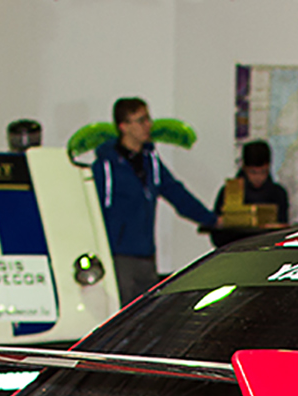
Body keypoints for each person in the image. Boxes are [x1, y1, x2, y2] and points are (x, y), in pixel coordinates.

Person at [91, 97, 214, 302]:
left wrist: (211, 219)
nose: (148, 125)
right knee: (121, 317)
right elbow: (95, 209)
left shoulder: (150, 161)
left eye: (147, 119)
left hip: (146, 255)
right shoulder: (105, 167)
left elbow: (175, 192)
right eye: (140, 120)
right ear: (124, 127)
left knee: (144, 314)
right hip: (118, 257)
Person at [209, 138, 290, 248]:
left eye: (263, 172)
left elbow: (281, 233)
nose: (258, 177)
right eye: (253, 172)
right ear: (244, 168)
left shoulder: (278, 193)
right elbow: (217, 236)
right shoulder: (229, 192)